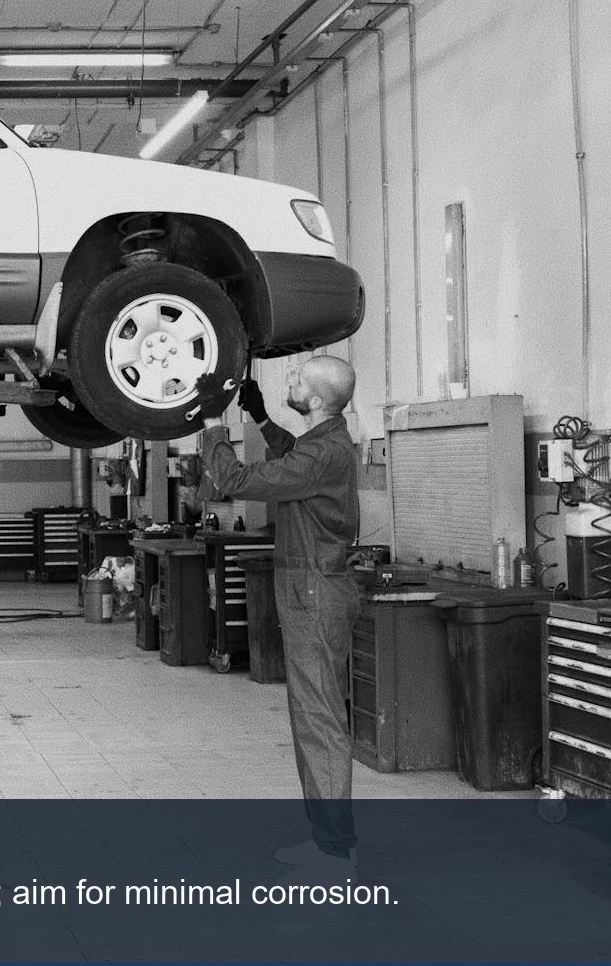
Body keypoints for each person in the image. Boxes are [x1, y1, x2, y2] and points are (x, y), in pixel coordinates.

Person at [197, 356, 360, 879]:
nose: (289, 379)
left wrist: (213, 423)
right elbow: (292, 455)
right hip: (311, 586)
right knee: (312, 714)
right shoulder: (324, 442)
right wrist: (262, 419)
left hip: (315, 590)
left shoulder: (324, 453)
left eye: (297, 379)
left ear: (315, 399)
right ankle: (329, 841)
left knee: (319, 718)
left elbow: (235, 478)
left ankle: (336, 850)